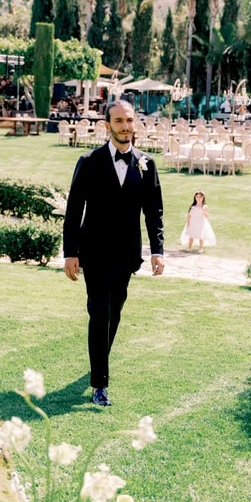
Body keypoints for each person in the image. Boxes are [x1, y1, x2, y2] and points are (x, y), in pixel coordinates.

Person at [63, 100, 165, 407]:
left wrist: (158, 251)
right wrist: (70, 253)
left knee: (116, 312)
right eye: (118, 121)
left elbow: (153, 211)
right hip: (92, 253)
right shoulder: (89, 161)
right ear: (107, 126)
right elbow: (73, 209)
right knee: (100, 313)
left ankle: (99, 362)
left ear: (135, 124)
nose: (125, 126)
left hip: (126, 255)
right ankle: (100, 384)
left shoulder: (146, 163)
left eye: (129, 120)